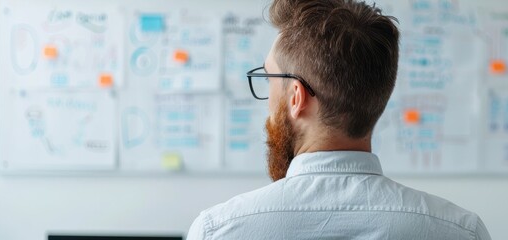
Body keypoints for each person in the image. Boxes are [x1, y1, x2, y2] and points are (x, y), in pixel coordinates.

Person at [187, 0, 491, 239]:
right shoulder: (460, 231)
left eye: (270, 78)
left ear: (296, 97)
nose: (268, 98)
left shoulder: (218, 231)